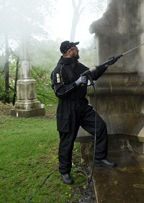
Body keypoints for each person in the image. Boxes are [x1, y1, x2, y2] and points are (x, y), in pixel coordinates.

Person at [51, 41, 119, 184]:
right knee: (67, 141)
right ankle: (64, 171)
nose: (78, 49)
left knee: (100, 127)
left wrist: (106, 64)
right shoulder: (59, 70)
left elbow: (93, 75)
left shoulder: (78, 65)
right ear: (69, 51)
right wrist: (76, 83)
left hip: (82, 106)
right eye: (75, 48)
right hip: (67, 110)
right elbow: (60, 92)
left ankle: (99, 158)